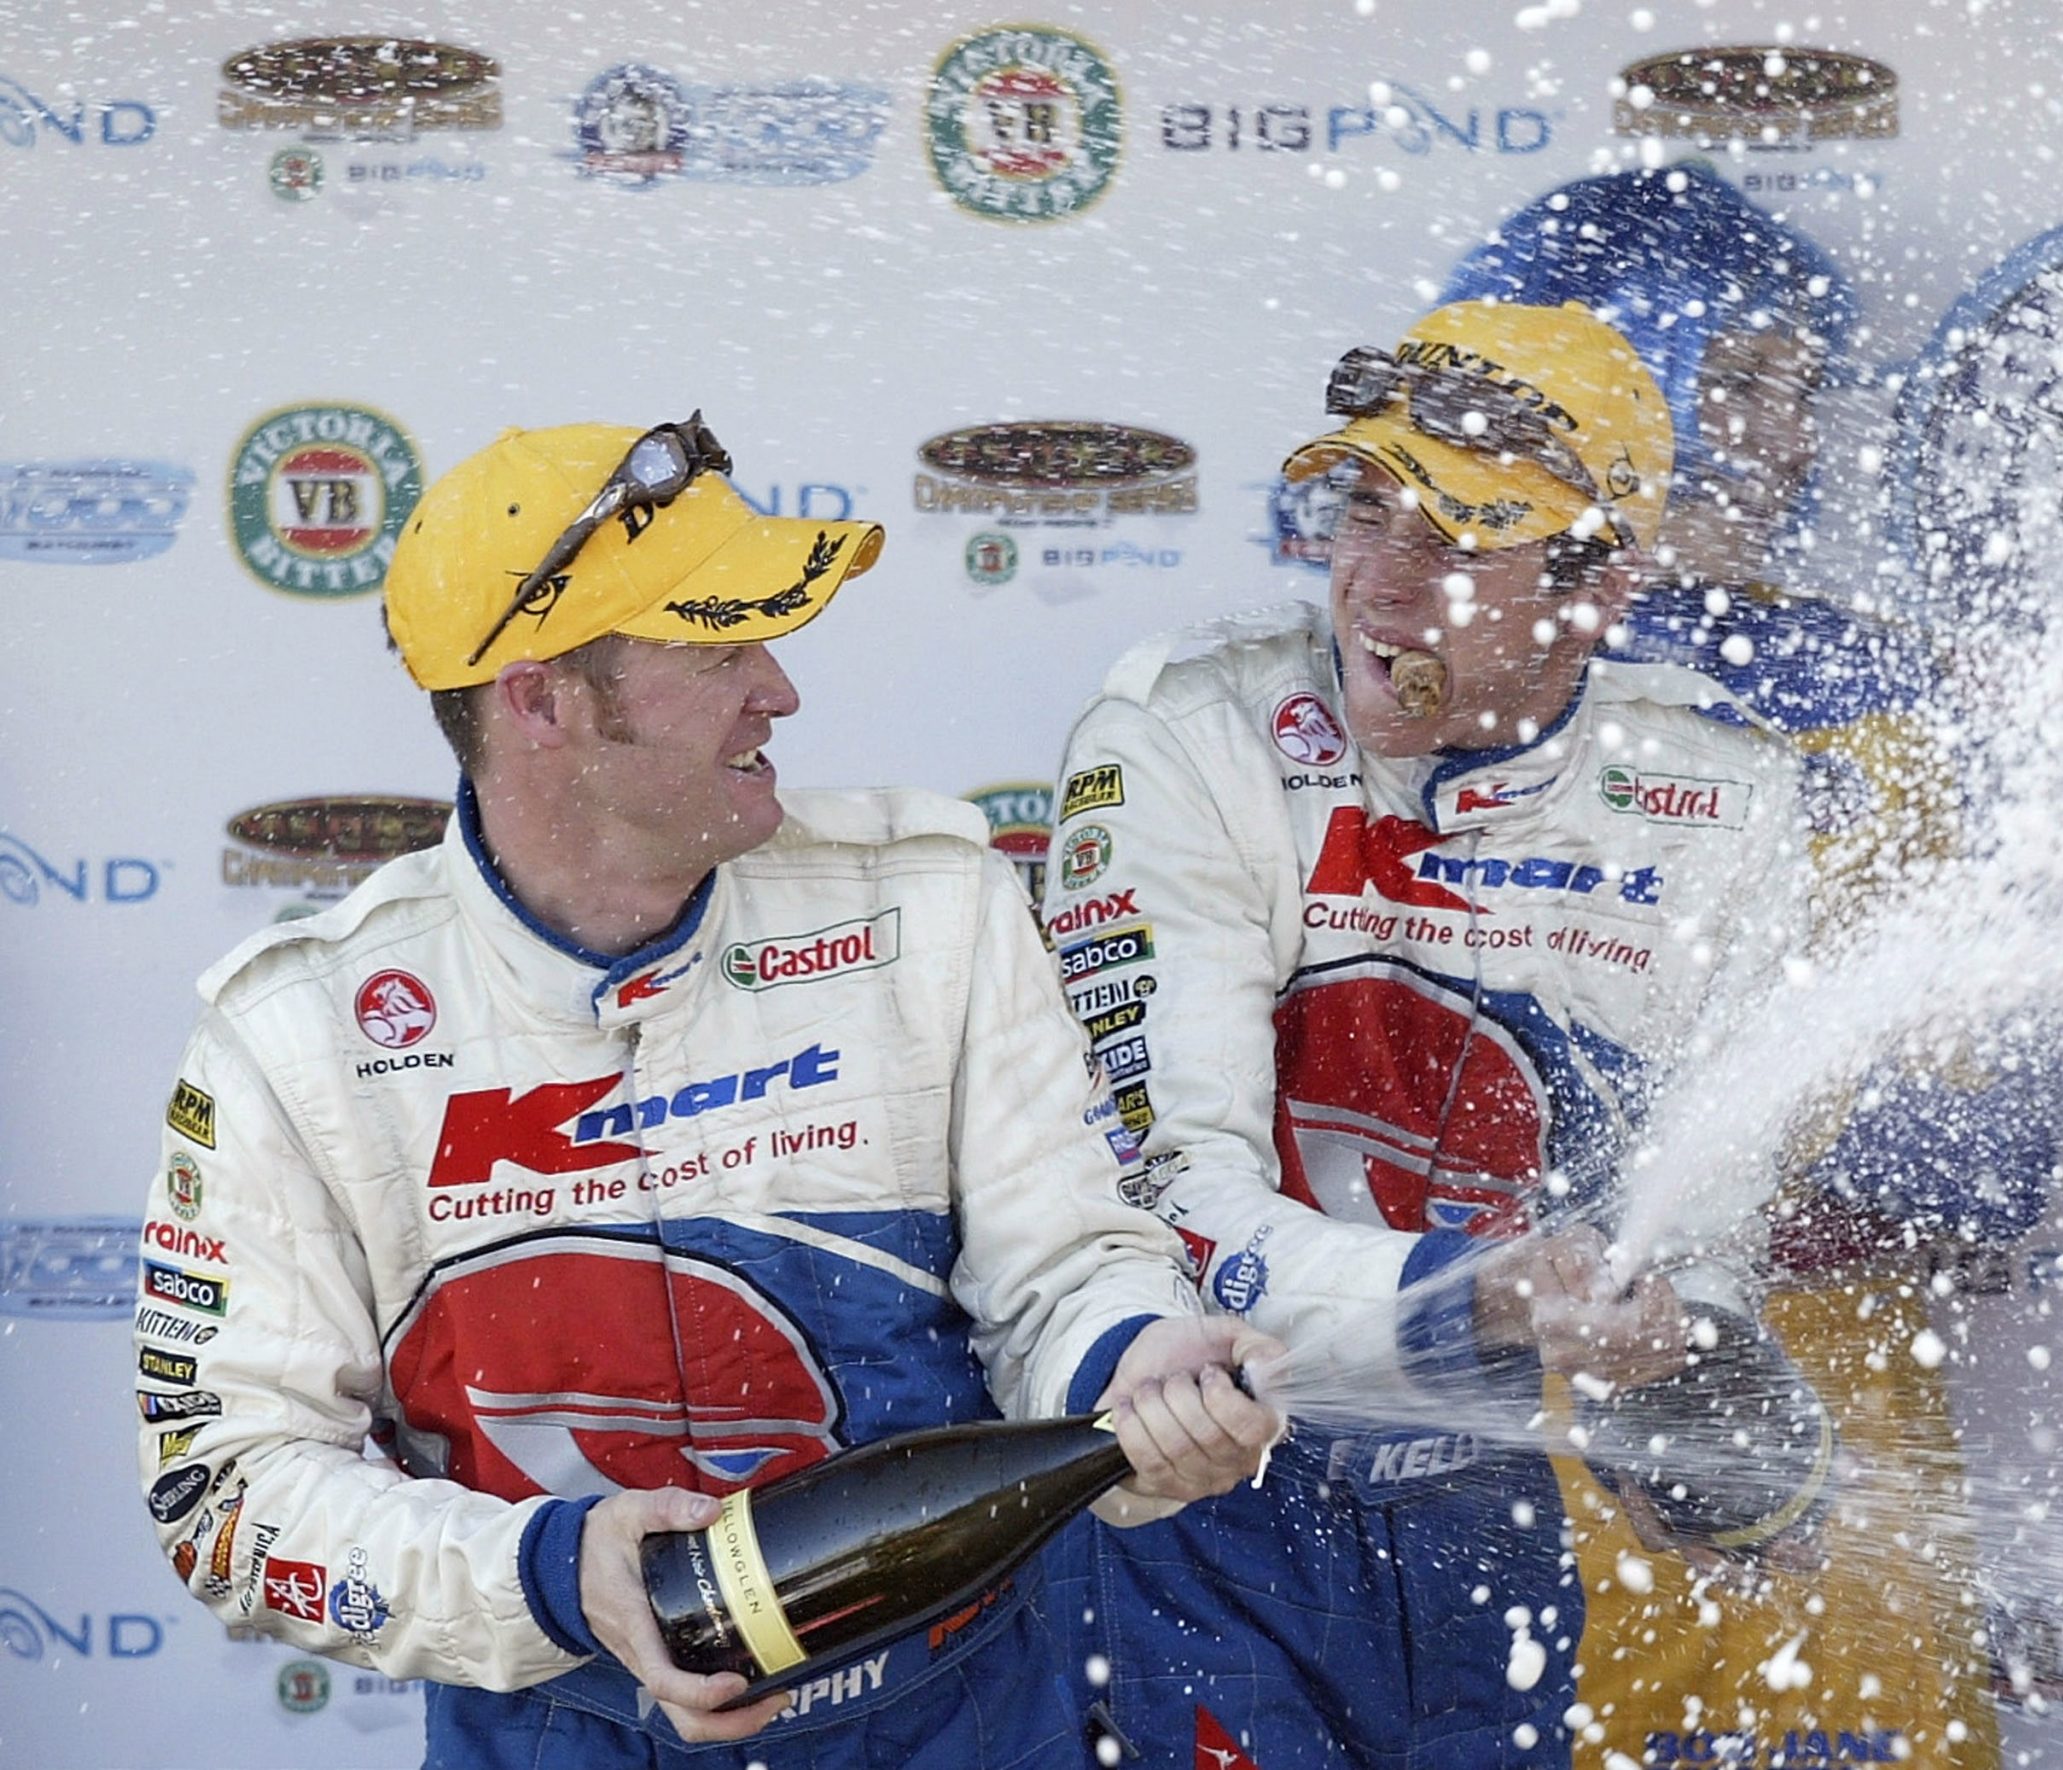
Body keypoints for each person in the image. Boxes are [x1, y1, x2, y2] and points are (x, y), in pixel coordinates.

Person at [132, 416, 1283, 1770]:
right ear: (541, 697)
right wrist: (560, 1572)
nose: (780, 688)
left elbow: (1072, 1266)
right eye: (717, 646)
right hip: (560, 1731)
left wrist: (1136, 1366)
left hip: (959, 1717)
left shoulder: (931, 904)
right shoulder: (297, 1036)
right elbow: (228, 1490)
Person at [1039, 299, 1829, 1770]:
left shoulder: (1717, 799)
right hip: (1195, 1501)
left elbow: (1699, 1224)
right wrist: (1478, 1294)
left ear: (1599, 593)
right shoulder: (1190, 737)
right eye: (1363, 510)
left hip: (1484, 1522)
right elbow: (1159, 1206)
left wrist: (1691, 1367)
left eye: (1458, 547)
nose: (1379, 588)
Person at [1441, 162, 2059, 1770]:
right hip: (1487, 1454)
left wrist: (1671, 1202)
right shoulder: (1393, 703)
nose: (1790, 442)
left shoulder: (1893, 700)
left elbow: (1991, 1152)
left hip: (1826, 1428)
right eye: (1743, 384)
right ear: (1617, 376)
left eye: (1798, 391)